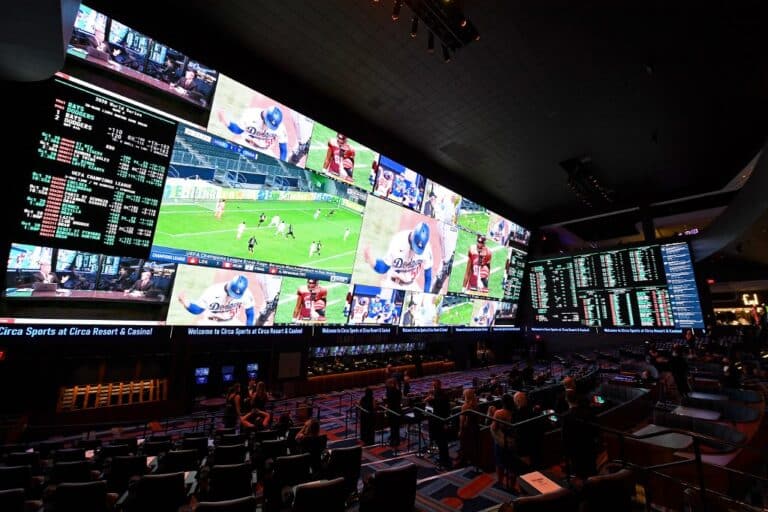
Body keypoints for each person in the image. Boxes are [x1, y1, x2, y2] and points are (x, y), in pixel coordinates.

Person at [363, 221, 434, 293]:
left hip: (411, 284)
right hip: (393, 284)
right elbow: (383, 268)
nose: (415, 251)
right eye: (415, 247)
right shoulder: (398, 241)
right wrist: (370, 260)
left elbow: (428, 276)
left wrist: (426, 294)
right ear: (412, 236)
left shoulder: (426, 249)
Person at [177, 274, 257, 325]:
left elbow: (250, 312)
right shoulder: (213, 291)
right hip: (210, 323)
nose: (232, 297)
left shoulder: (246, 294)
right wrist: (185, 302)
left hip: (231, 322)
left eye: (236, 296)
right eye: (231, 293)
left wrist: (248, 328)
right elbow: (198, 310)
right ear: (229, 285)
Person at [217, 105, 289, 161]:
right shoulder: (250, 114)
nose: (268, 127)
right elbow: (238, 130)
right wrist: (224, 120)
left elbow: (283, 150)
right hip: (246, 145)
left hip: (265, 151)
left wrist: (282, 164)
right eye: (267, 123)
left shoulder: (280, 128)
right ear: (264, 115)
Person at [561, 389, 601, 480]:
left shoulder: (566, 417)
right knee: (592, 471)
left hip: (576, 451)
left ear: (566, 400)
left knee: (580, 475)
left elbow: (565, 437)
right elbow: (596, 431)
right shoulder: (589, 412)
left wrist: (566, 453)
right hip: (590, 447)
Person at [491, 394, 516, 490]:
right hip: (514, 442)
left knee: (499, 463)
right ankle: (511, 486)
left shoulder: (499, 413)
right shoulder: (515, 411)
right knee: (512, 465)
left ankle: (500, 483)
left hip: (502, 443)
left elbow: (494, 428)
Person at [426, 379, 452, 469]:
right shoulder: (441, 394)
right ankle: (444, 460)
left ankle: (444, 462)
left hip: (439, 422)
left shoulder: (438, 395)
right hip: (442, 421)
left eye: (433, 386)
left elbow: (440, 408)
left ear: (435, 386)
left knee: (441, 443)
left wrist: (430, 399)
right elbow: (438, 406)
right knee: (442, 443)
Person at [458, 388, 480, 467]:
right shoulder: (476, 404)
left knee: (464, 444)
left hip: (467, 428)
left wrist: (460, 431)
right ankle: (472, 459)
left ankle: (463, 461)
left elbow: (462, 421)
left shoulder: (465, 406)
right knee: (472, 444)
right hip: (475, 427)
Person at [384, 377, 402, 448]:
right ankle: (394, 439)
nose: (386, 385)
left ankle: (395, 441)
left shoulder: (391, 391)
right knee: (395, 426)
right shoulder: (397, 390)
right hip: (396, 409)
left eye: (387, 384)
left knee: (394, 426)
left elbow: (390, 401)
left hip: (393, 410)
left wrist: (387, 408)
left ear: (392, 384)